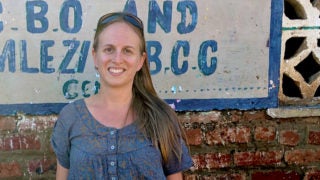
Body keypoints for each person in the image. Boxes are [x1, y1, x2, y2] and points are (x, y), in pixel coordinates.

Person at [51, 11, 193, 180]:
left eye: (127, 50)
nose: (117, 59)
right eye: (109, 49)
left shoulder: (162, 117)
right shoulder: (70, 118)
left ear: (141, 61)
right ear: (95, 56)